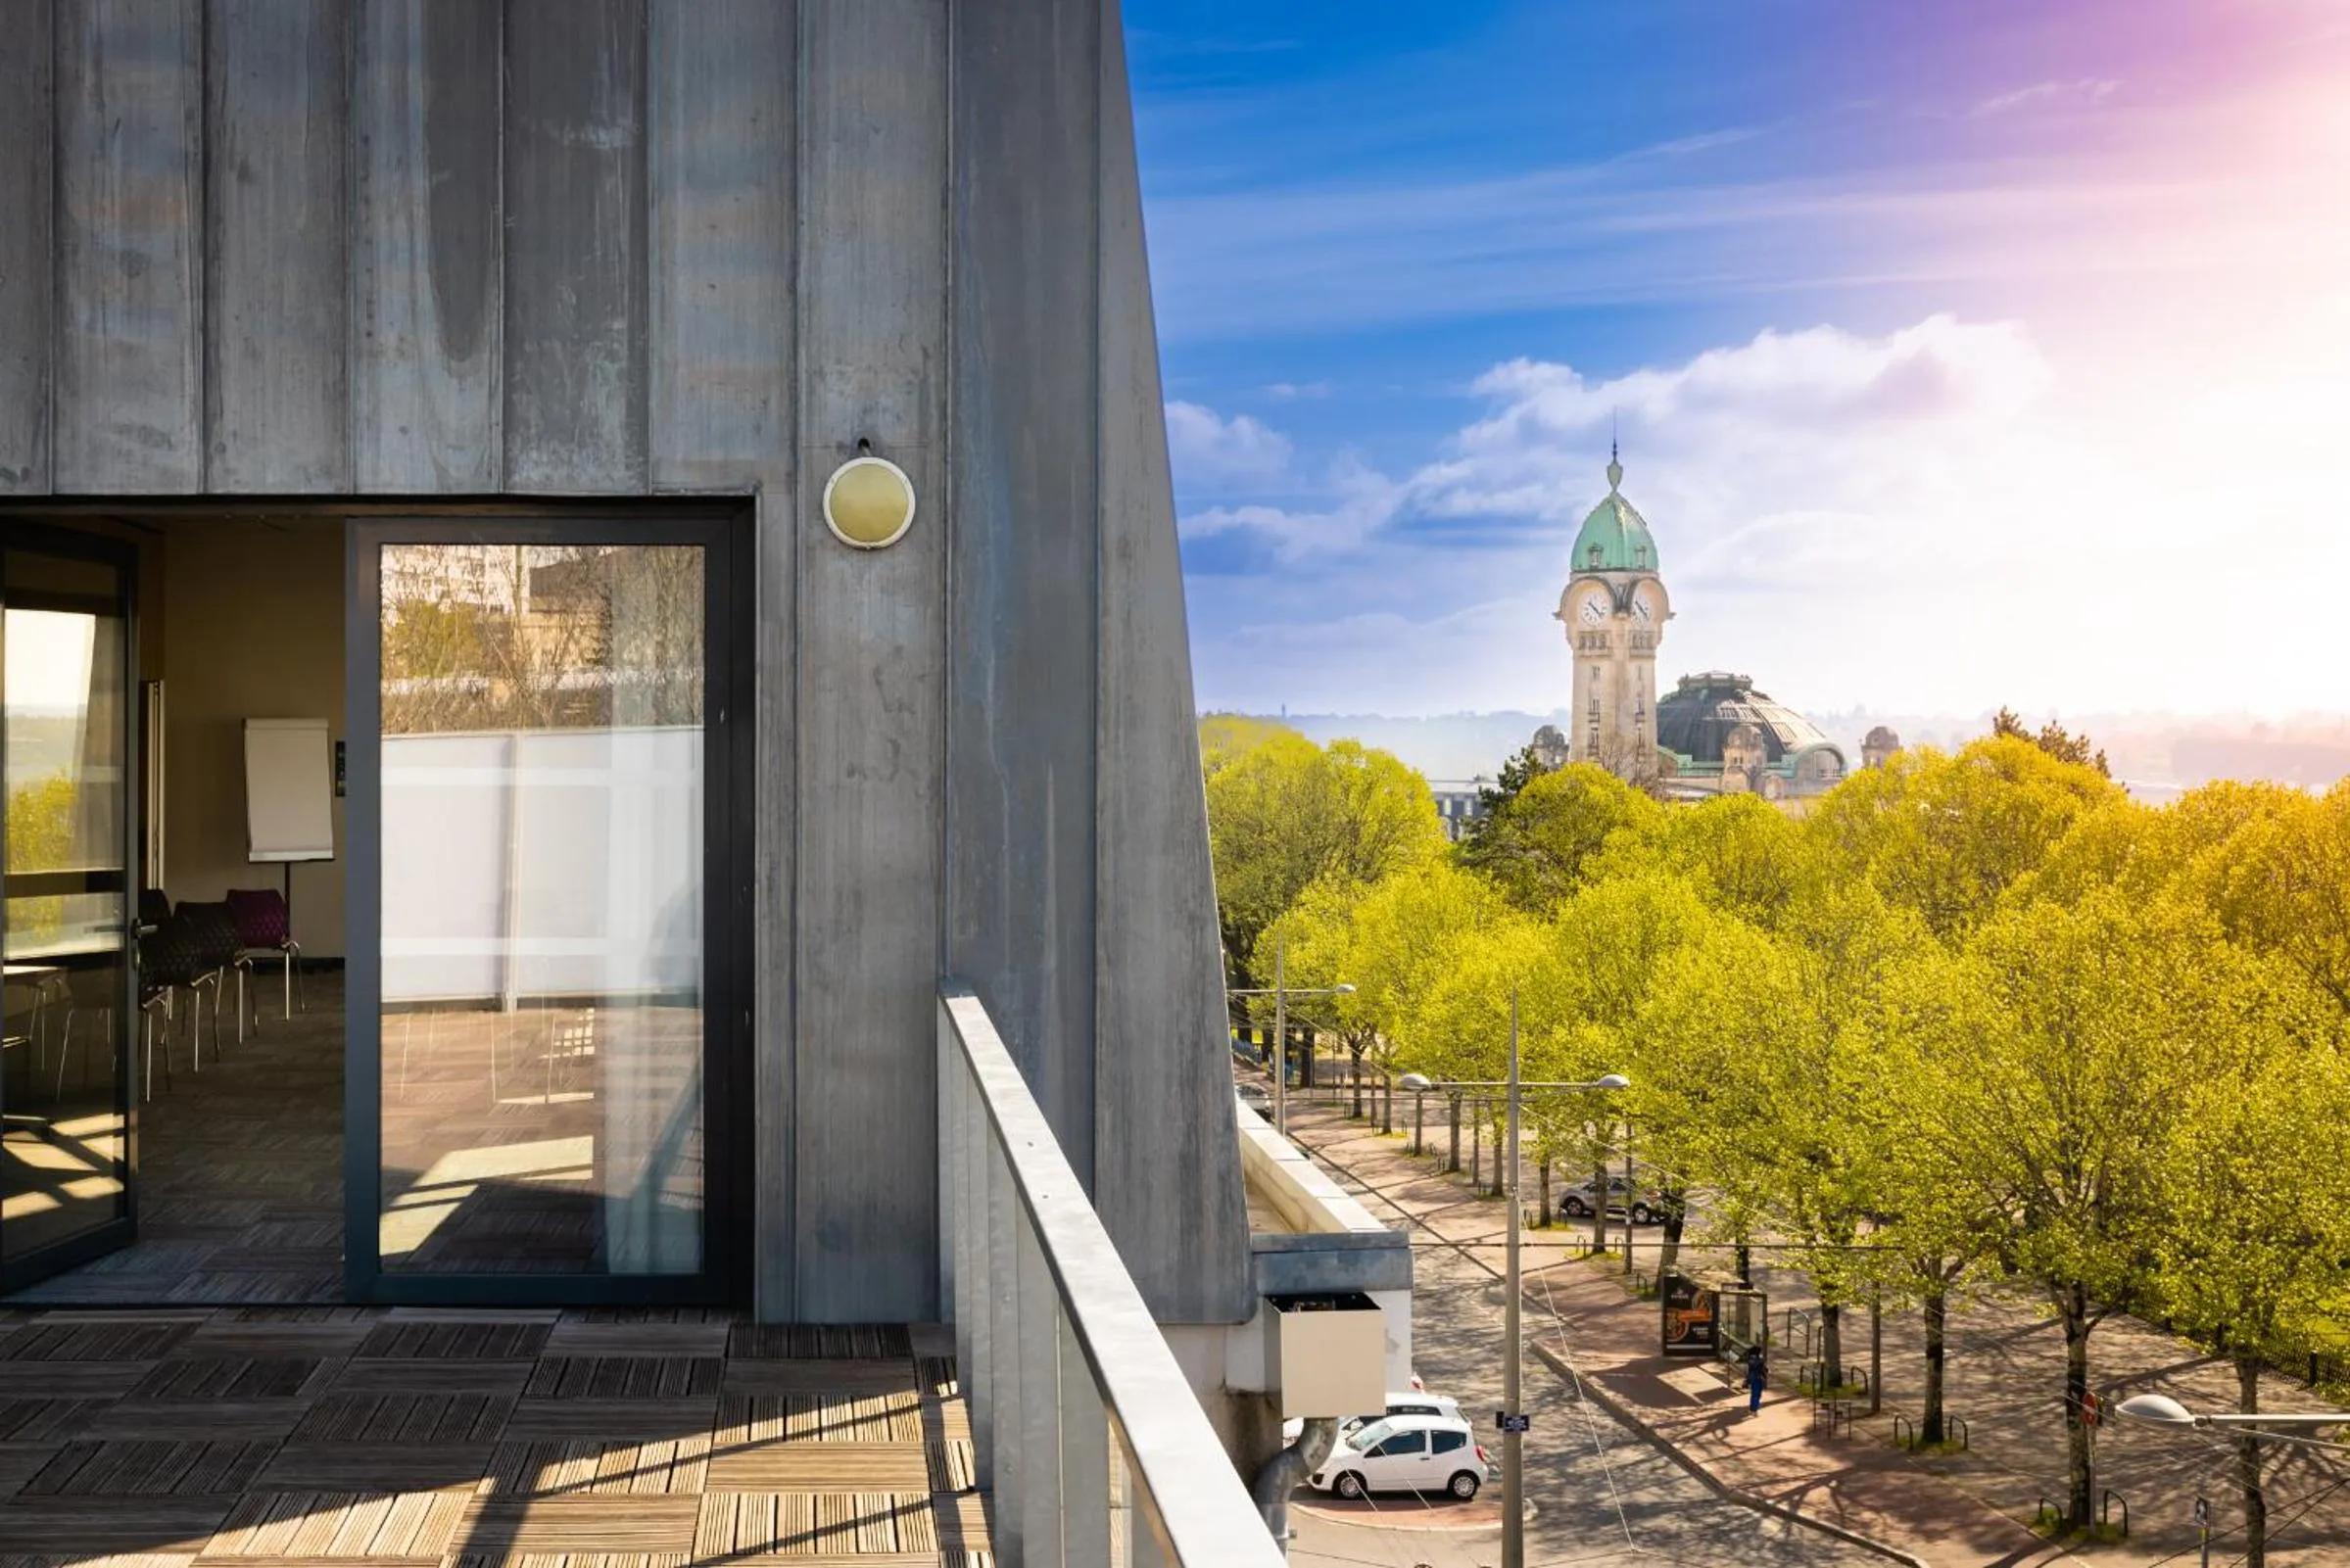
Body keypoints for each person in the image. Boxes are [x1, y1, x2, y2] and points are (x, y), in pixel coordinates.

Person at [1745, 1344, 1767, 1416]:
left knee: (1755, 1394)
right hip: (1756, 1378)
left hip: (1755, 1378)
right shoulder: (1755, 1360)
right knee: (1756, 1395)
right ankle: (1754, 1410)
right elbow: (1759, 1367)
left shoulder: (1753, 1359)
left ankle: (1752, 1409)